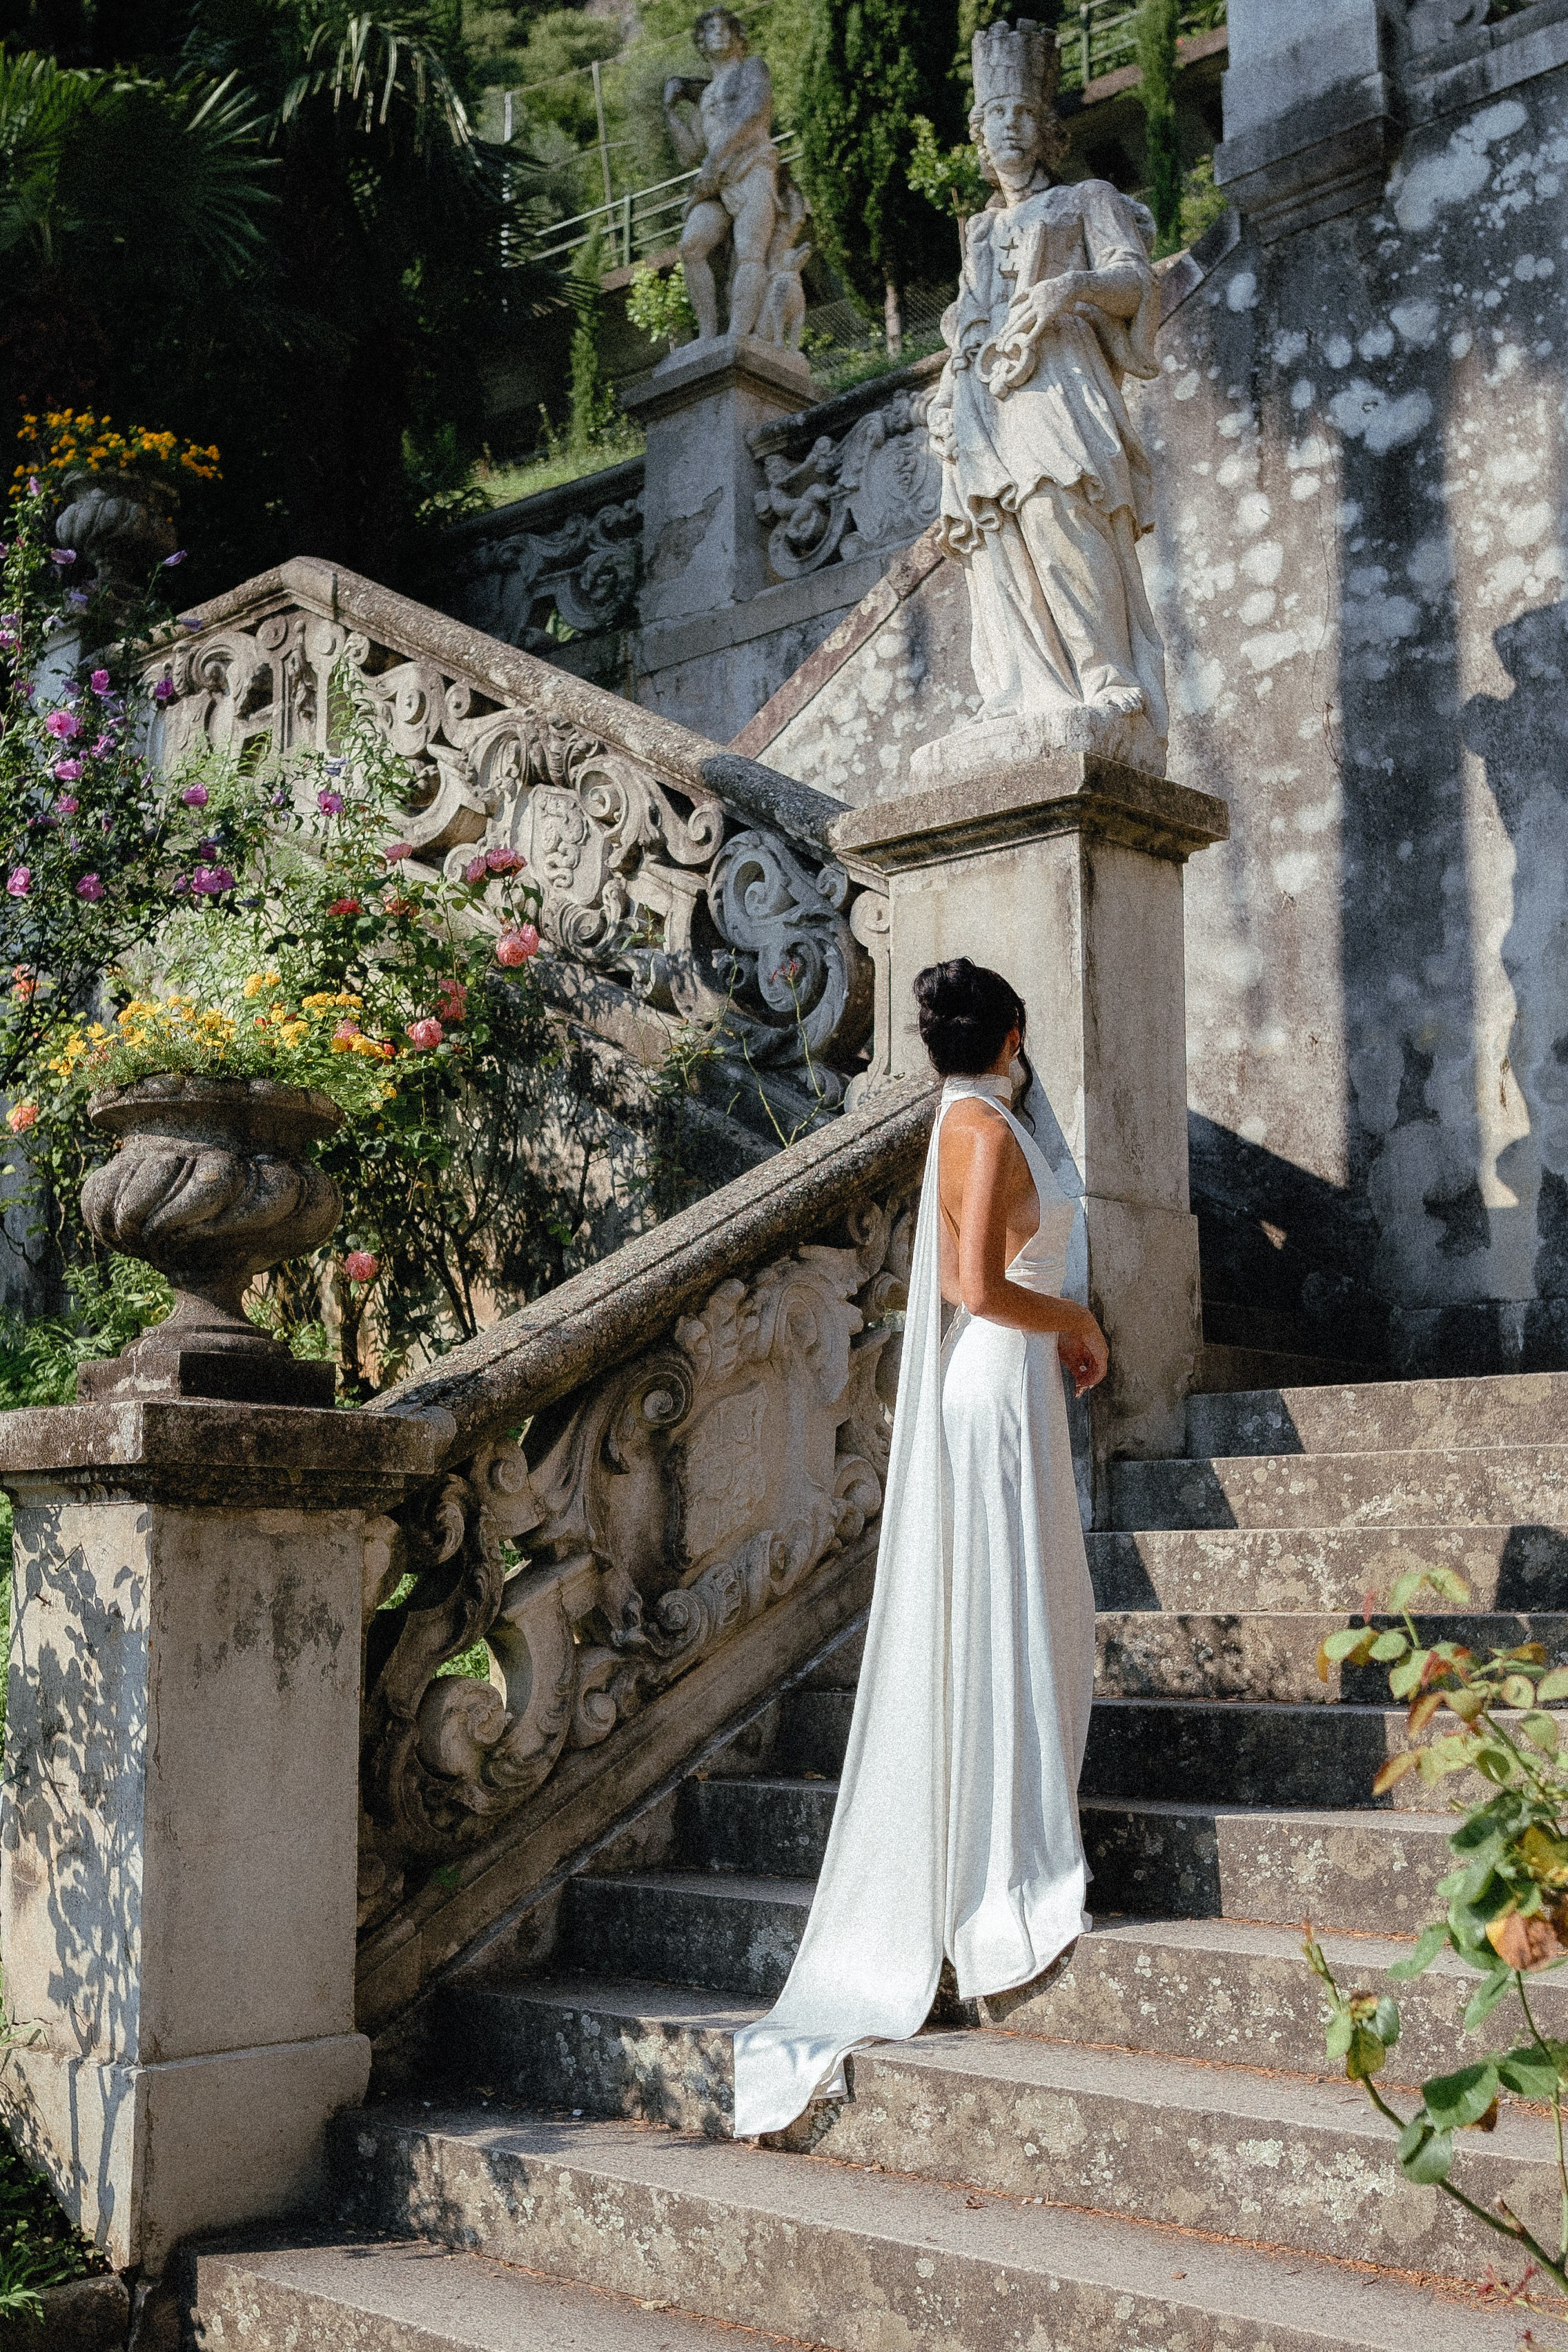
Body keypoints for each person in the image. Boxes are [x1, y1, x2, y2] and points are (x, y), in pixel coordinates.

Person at [732, 959, 1107, 2139]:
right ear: (1013, 1032)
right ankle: (998, 1861)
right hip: (997, 1383)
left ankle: (1000, 1831)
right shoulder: (980, 1122)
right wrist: (1077, 1318)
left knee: (1030, 1608)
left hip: (1002, 1386)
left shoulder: (963, 1116)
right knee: (1015, 1611)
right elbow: (975, 1284)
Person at [924, 17, 1168, 772]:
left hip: (1057, 383)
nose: (1009, 127)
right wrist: (945, 394)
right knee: (995, 534)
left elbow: (1135, 282)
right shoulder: (977, 232)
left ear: (1048, 131)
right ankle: (1019, 692)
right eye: (995, 115)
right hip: (982, 398)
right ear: (979, 132)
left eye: (1024, 114)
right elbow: (967, 321)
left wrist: (1071, 287)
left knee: (1059, 509)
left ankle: (1108, 679)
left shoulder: (1087, 199)